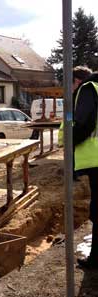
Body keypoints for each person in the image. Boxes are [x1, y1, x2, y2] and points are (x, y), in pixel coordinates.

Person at [71, 66, 98, 268]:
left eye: (71, 84)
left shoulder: (88, 88)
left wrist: (70, 142)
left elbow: (82, 124)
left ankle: (96, 258)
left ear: (77, 80)